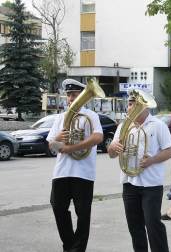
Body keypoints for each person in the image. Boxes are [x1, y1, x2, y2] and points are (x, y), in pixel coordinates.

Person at [107, 88, 171, 252]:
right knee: (134, 226)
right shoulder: (124, 126)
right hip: (129, 183)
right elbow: (111, 154)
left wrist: (151, 160)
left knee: (153, 225)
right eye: (129, 104)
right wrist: (113, 147)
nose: (130, 107)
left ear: (145, 107)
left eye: (134, 104)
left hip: (151, 184)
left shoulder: (158, 125)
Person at [46, 79, 104, 252]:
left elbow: (98, 138)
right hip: (61, 172)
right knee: (57, 207)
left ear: (82, 97)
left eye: (74, 95)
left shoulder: (90, 116)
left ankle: (78, 249)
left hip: (83, 172)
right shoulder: (61, 117)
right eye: (69, 95)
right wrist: (58, 138)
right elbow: (50, 144)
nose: (71, 98)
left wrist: (72, 147)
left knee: (83, 213)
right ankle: (70, 245)